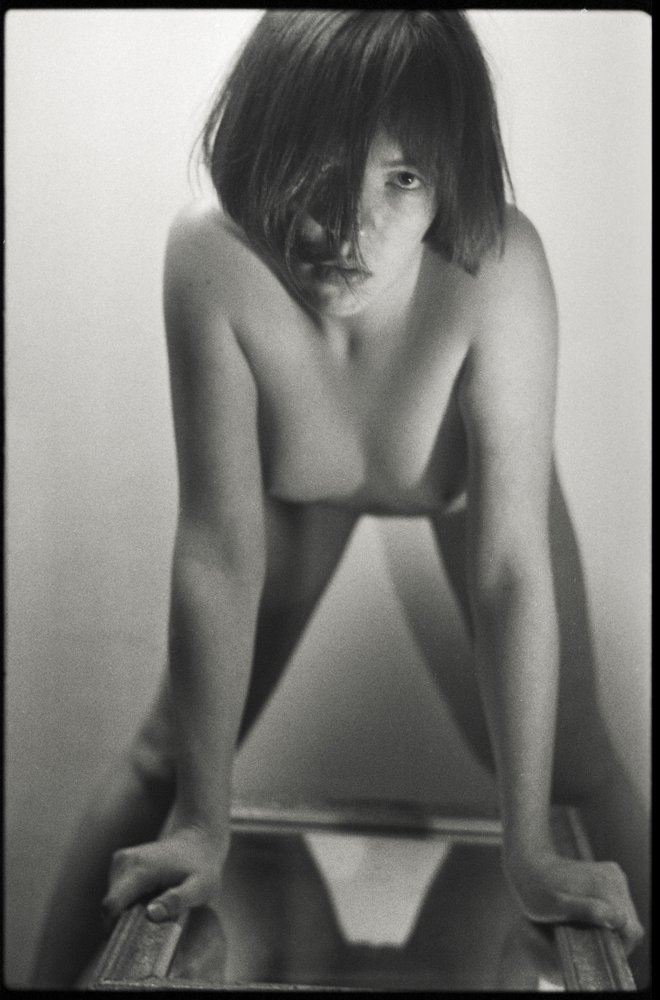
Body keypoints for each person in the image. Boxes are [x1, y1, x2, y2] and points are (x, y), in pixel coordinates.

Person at [32, 10, 644, 987]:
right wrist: (201, 820)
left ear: (450, 174)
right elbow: (217, 548)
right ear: (257, 145)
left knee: (582, 774)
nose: (351, 228)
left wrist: (529, 848)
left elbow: (508, 569)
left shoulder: (500, 261)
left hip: (456, 494)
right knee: (160, 761)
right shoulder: (210, 254)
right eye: (319, 170)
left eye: (403, 179)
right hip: (294, 488)